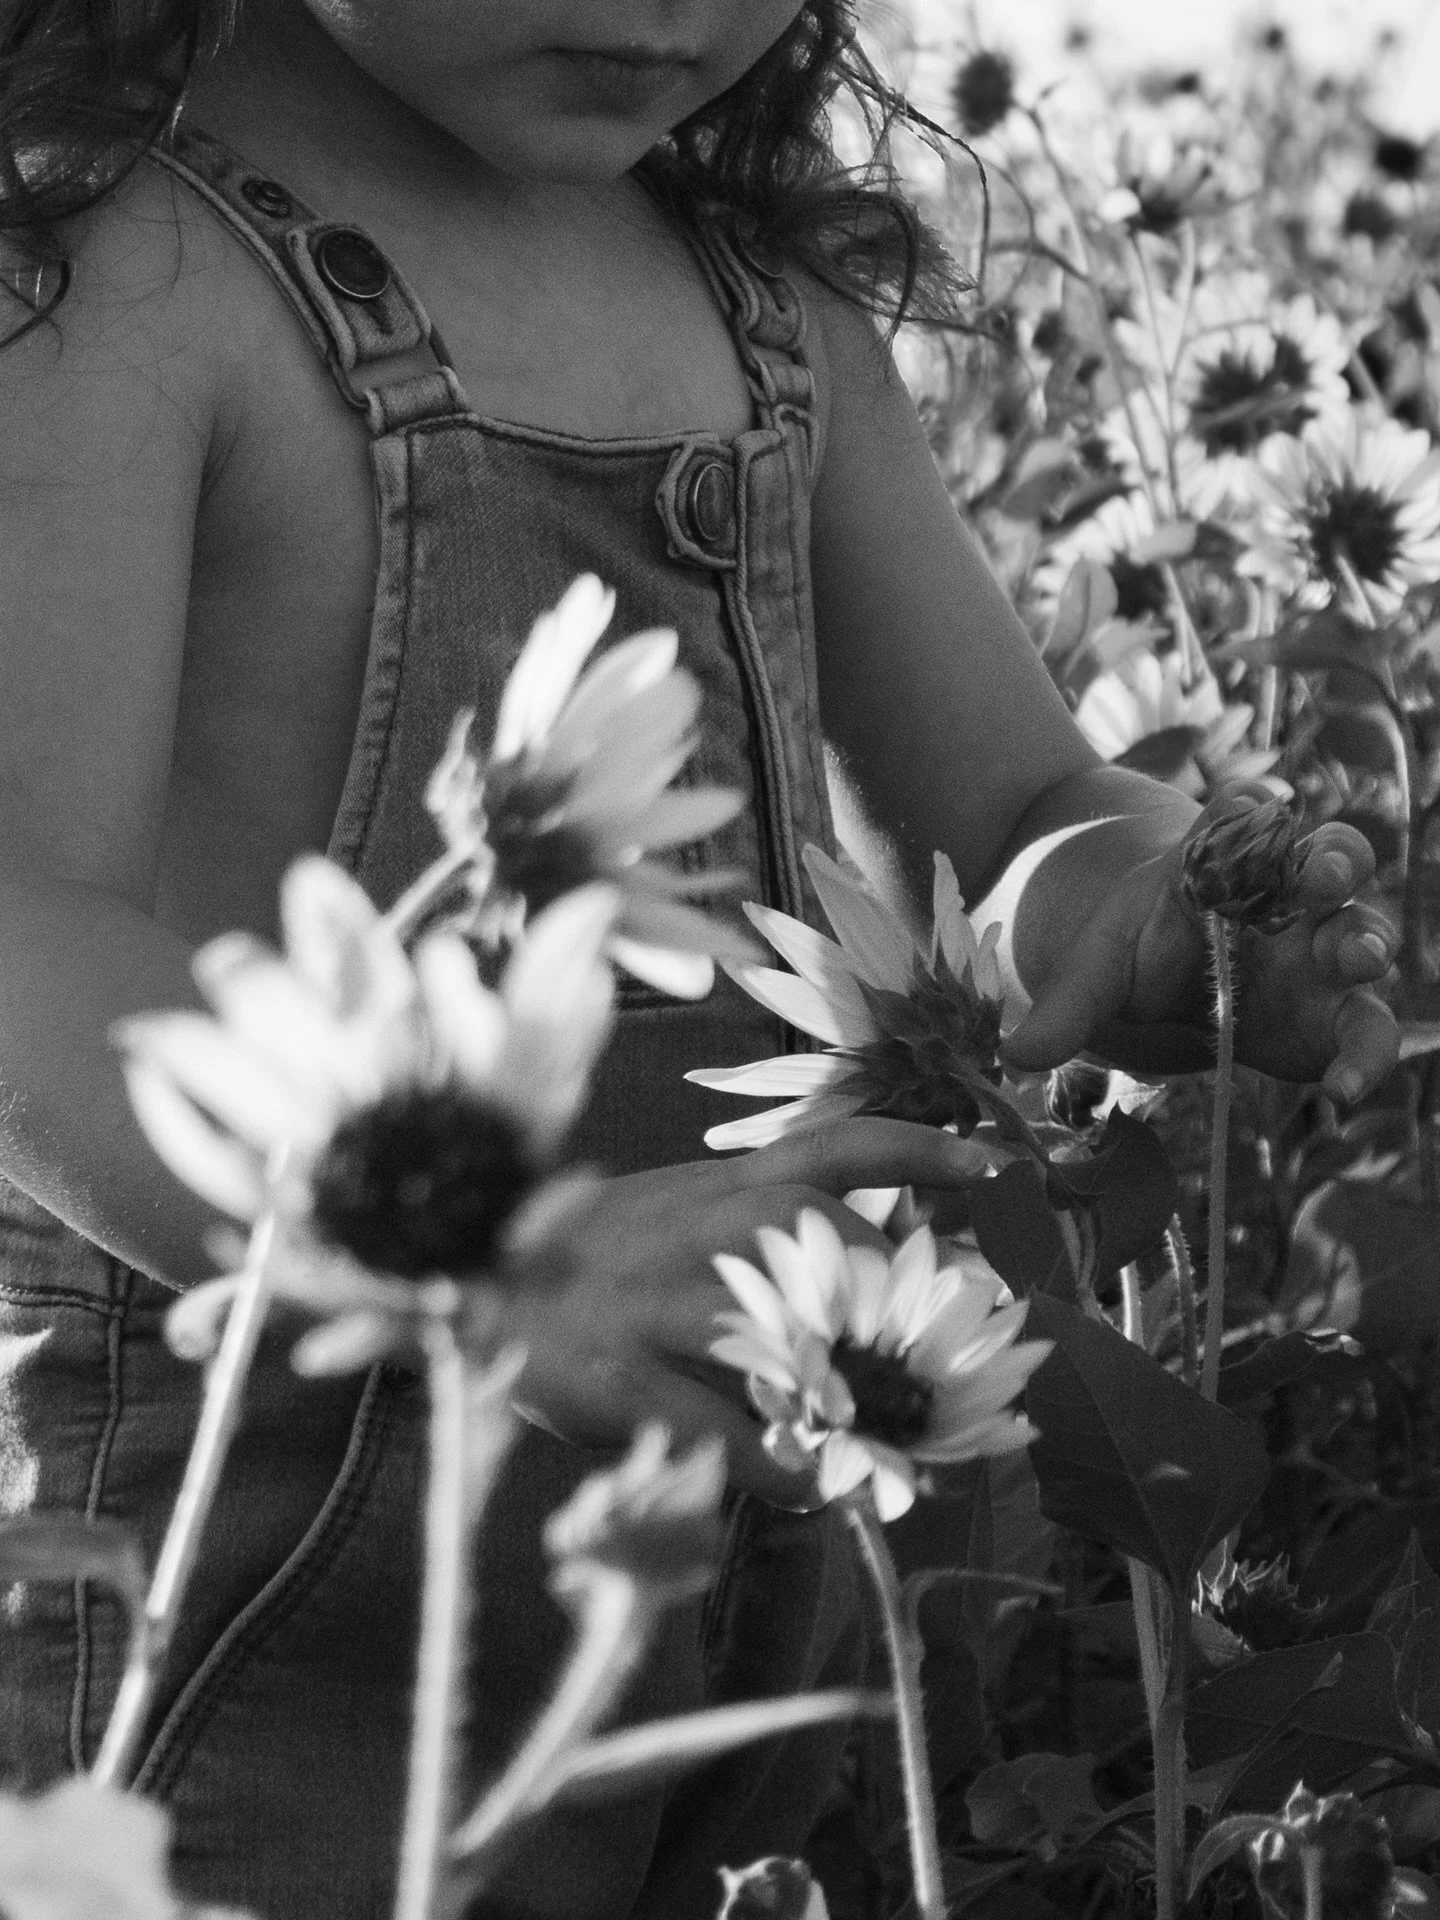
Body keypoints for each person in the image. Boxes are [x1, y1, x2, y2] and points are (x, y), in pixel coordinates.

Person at [0, 2, 1398, 1916]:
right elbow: (18, 918)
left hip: (748, 1524)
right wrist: (489, 1263)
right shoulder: (117, 268)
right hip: (241, 1565)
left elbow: (1010, 805)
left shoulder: (757, 291)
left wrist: (1156, 909)